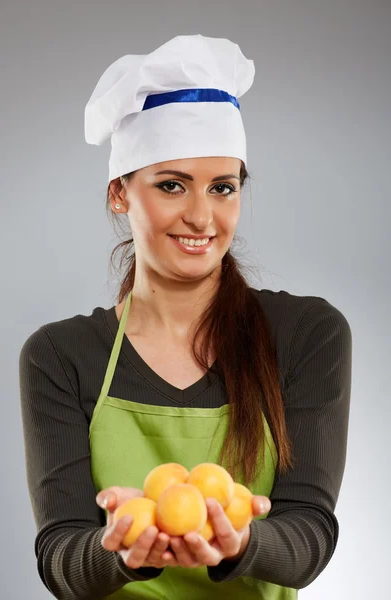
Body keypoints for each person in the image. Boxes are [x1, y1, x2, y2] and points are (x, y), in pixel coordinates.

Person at [19, 34, 352, 600]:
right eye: (171, 185)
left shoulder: (306, 335)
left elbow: (310, 534)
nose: (202, 217)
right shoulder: (60, 355)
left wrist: (240, 544)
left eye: (223, 188)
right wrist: (121, 551)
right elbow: (60, 557)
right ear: (121, 193)